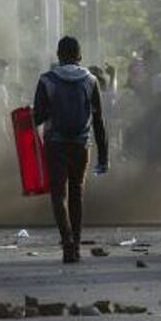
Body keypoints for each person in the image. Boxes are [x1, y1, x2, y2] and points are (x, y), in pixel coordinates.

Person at [33, 37, 109, 264]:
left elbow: (39, 116)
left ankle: (66, 241)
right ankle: (76, 244)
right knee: (77, 193)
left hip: (55, 143)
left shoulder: (47, 80)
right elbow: (98, 120)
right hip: (81, 144)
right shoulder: (91, 80)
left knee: (59, 194)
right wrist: (104, 156)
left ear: (58, 55)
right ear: (80, 56)